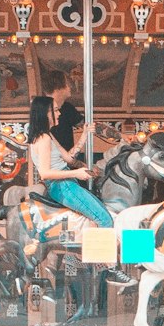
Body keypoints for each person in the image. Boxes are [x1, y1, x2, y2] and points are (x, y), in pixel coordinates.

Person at [27, 95, 134, 285]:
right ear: (46, 112)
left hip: (68, 181)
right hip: (62, 185)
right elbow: (44, 173)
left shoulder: (48, 135)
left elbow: (68, 158)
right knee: (104, 218)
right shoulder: (42, 138)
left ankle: (90, 259)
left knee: (96, 215)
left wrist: (84, 135)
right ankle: (110, 269)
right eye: (56, 109)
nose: (59, 113)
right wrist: (75, 173)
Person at [41, 70, 84, 153]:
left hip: (66, 161)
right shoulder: (42, 109)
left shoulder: (67, 108)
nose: (70, 86)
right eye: (67, 84)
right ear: (58, 87)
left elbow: (86, 124)